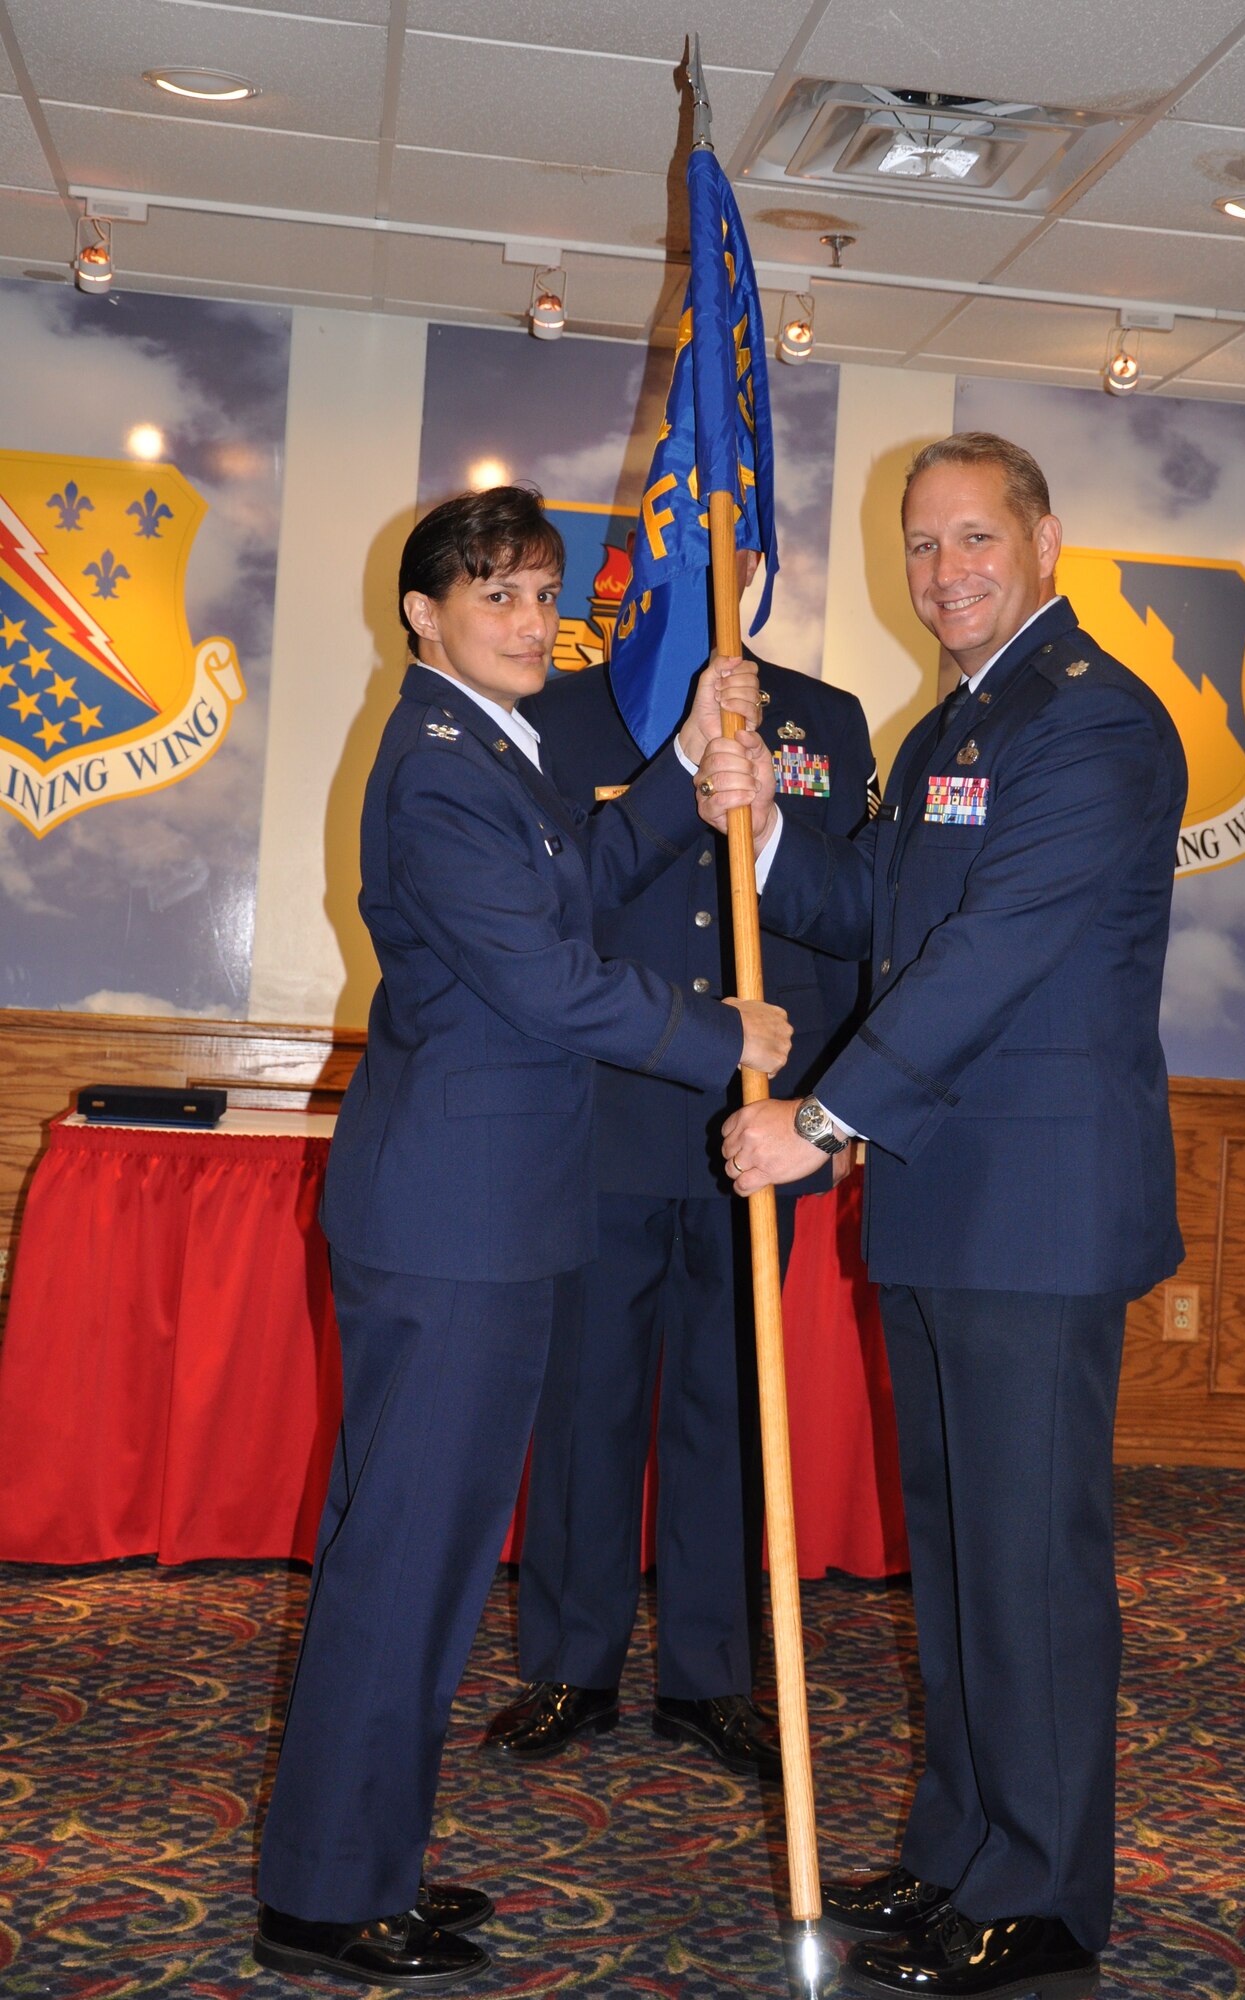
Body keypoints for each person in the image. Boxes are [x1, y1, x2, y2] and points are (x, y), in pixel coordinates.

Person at [252, 486, 791, 1991]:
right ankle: (321, 1899)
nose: (530, 622)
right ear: (423, 614)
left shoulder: (496, 750)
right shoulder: (435, 771)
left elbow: (582, 881)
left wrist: (684, 765)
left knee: (419, 1565)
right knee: (403, 1562)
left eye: (544, 595)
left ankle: (362, 1863)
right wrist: (720, 1031)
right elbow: (549, 984)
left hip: (481, 1216)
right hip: (449, 1224)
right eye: (495, 595)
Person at [696, 433, 1187, 1999]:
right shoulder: (946, 731)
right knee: (962, 1556)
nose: (943, 572)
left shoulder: (1096, 723)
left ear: (1044, 539)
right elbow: (878, 916)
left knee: (1028, 1562)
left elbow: (998, 956)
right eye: (919, 547)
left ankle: (1040, 1899)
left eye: (972, 538)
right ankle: (961, 1848)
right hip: (944, 1202)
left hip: (1033, 1213)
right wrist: (760, 823)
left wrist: (824, 1122)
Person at [484, 548, 875, 1779]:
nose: (712, 567)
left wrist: (834, 1107)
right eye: (687, 546)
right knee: (590, 1401)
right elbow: (553, 914)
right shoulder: (566, 709)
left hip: (761, 1117)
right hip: (607, 1115)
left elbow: (856, 922)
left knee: (732, 1402)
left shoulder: (824, 716)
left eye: (733, 549)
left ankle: (710, 1671)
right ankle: (573, 1662)